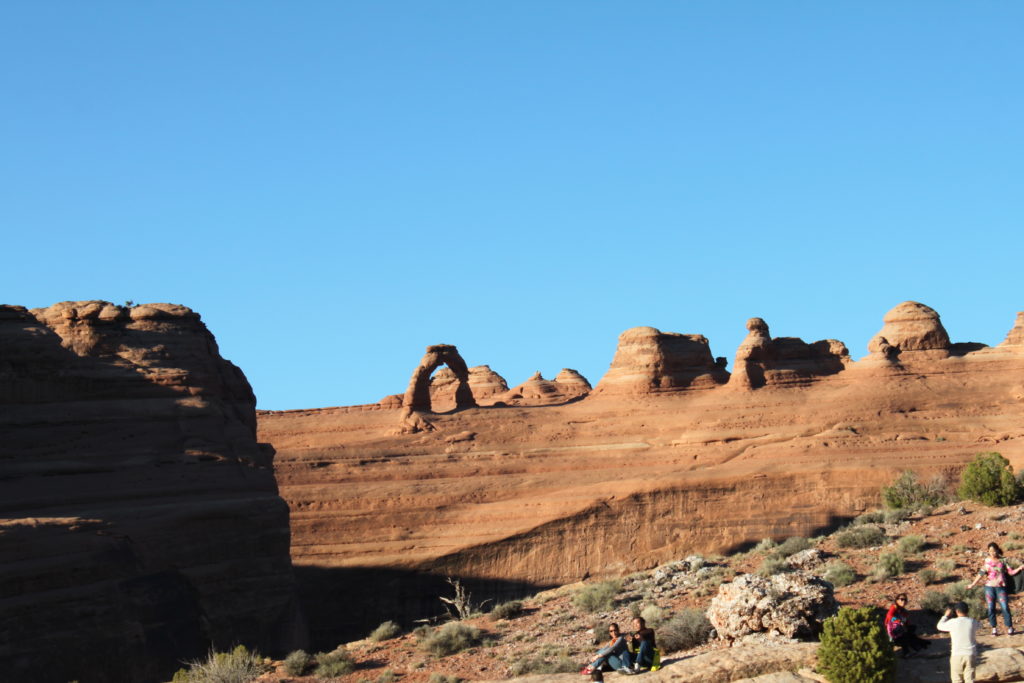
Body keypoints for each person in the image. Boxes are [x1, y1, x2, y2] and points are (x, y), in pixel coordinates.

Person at [968, 542, 1021, 635]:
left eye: (994, 550)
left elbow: (1011, 572)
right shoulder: (987, 561)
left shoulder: (1003, 561)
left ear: (997, 550)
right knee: (991, 608)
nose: (992, 552)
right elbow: (981, 573)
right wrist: (972, 584)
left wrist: (1020, 568)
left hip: (1001, 587)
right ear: (988, 552)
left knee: (1005, 607)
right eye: (990, 551)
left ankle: (1010, 627)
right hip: (989, 588)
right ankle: (994, 628)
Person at [937, 602, 979, 683]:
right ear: (967, 611)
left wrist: (945, 615)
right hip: (970, 654)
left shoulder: (953, 622)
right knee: (970, 680)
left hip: (957, 654)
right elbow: (980, 625)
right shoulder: (972, 621)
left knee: (957, 680)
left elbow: (939, 626)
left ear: (956, 611)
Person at [884, 593, 932, 657]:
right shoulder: (894, 607)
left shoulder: (904, 612)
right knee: (905, 635)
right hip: (891, 631)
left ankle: (920, 644)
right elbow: (889, 616)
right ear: (897, 600)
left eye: (905, 600)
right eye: (901, 599)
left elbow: (906, 622)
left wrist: (907, 627)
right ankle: (907, 652)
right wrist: (898, 621)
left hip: (900, 630)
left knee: (911, 631)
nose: (903, 601)